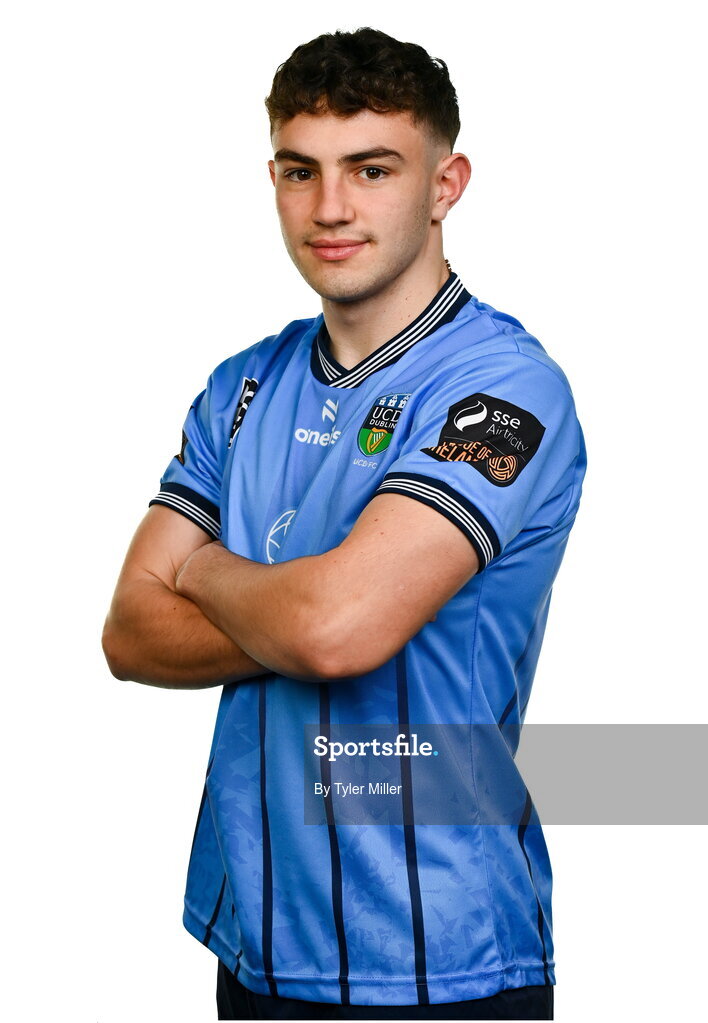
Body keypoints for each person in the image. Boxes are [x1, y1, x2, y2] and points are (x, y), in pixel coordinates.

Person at [102, 26, 585, 1021]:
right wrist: (304, 600)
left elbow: (336, 632)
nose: (329, 208)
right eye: (299, 170)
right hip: (259, 937)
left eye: (372, 169)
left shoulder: (501, 386)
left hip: (440, 957)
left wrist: (202, 573)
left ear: (445, 183)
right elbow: (127, 633)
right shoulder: (242, 388)